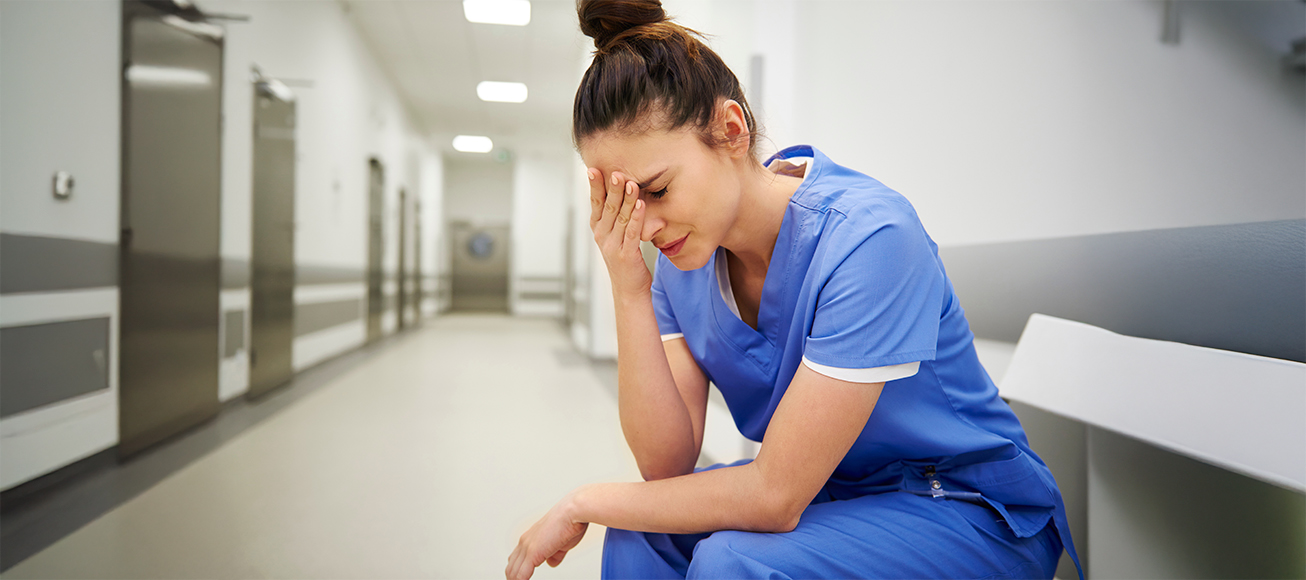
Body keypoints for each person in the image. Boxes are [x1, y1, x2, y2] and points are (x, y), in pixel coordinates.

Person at [505, 1, 1083, 578]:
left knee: (731, 561)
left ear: (731, 131)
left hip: (964, 511)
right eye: (627, 203)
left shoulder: (869, 237)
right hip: (835, 500)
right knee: (642, 536)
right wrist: (629, 284)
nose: (647, 227)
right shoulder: (683, 265)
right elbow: (667, 464)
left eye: (656, 190)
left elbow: (775, 496)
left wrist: (584, 502)